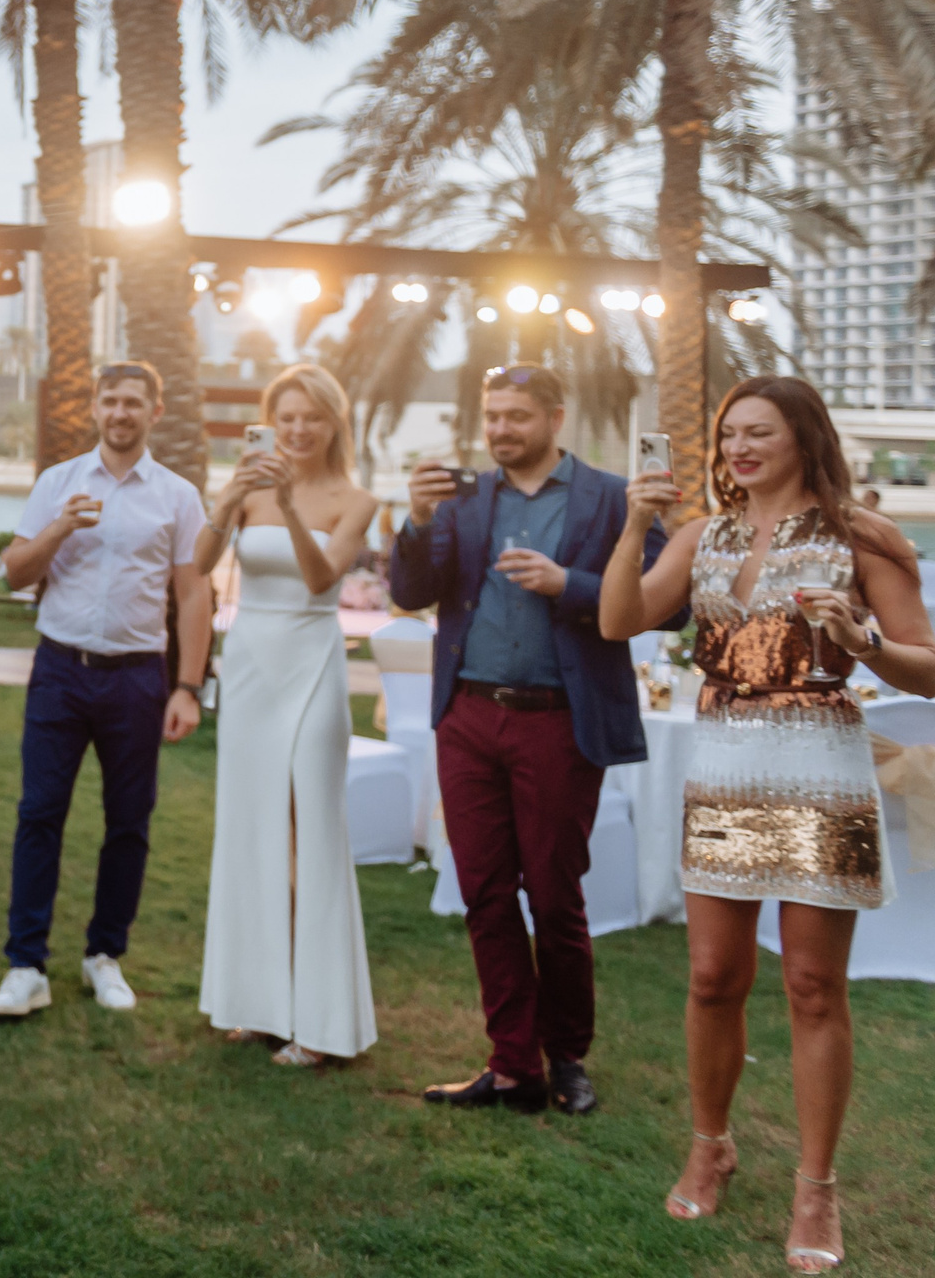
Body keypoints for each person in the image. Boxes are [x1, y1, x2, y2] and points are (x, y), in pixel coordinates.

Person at [599, 376, 935, 1272]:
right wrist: (636, 525)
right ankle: (711, 1143)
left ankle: (817, 1190)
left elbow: (929, 669)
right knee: (713, 977)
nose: (740, 449)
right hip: (724, 762)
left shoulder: (861, 538)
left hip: (821, 764)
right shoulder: (702, 534)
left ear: (803, 438)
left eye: (760, 434)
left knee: (815, 988)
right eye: (730, 435)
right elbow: (617, 619)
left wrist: (863, 643)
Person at [389, 363, 669, 1117]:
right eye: (493, 417)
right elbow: (410, 592)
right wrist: (415, 521)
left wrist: (568, 584)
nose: (502, 429)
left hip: (559, 719)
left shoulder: (612, 498)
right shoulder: (465, 497)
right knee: (482, 891)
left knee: (552, 893)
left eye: (518, 416)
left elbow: (666, 602)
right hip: (470, 717)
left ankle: (567, 1055)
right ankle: (512, 1064)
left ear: (555, 416)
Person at [0, 364, 212, 1019]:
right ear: (95, 408)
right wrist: (59, 528)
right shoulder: (59, 483)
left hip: (139, 676)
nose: (120, 412)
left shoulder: (178, 495)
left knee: (129, 822)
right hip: (61, 668)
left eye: (133, 402)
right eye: (110, 400)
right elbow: (16, 573)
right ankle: (26, 966)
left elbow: (194, 593)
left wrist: (187, 688)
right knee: (39, 814)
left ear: (154, 410)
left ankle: (103, 956)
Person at [192, 364, 381, 1064]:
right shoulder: (247, 486)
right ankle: (256, 1000)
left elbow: (321, 576)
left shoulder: (356, 498)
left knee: (312, 834)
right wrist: (230, 499)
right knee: (250, 829)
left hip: (311, 663)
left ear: (334, 424)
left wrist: (290, 509)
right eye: (287, 416)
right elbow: (197, 563)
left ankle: (322, 1025)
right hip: (250, 665)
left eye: (313, 418)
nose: (299, 430)